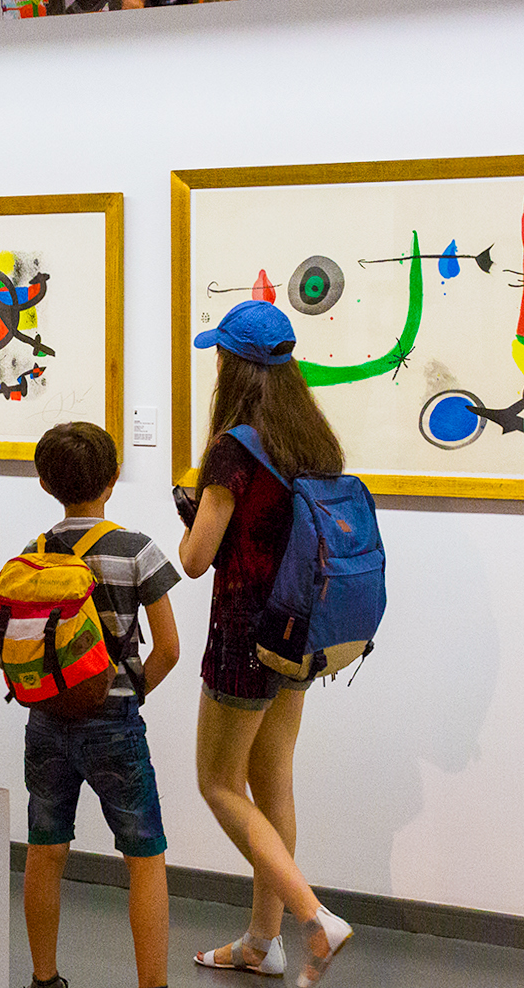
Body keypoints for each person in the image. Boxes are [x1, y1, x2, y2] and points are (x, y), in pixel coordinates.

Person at [176, 300, 354, 987]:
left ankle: (314, 918)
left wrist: (193, 510)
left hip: (244, 639)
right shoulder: (313, 440)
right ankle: (261, 942)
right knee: (273, 780)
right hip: (300, 634)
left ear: (232, 365)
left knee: (218, 783)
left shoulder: (233, 450)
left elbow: (196, 559)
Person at [21, 421, 182, 988]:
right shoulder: (137, 551)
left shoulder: (35, 554)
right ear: (114, 477)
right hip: (114, 725)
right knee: (145, 858)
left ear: (45, 484)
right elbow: (169, 649)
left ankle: (44, 978)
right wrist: (129, 695)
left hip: (47, 720)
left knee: (45, 849)